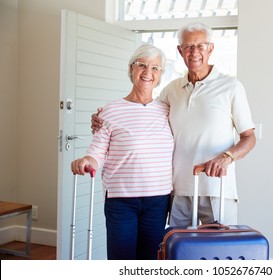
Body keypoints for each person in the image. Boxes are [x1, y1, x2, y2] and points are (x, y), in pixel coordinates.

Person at [92, 22, 256, 228]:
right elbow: (144, 114)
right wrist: (102, 119)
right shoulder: (171, 90)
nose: (194, 52)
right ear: (180, 50)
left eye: (200, 46)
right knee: (178, 253)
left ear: (211, 48)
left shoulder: (231, 86)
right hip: (178, 190)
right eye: (188, 46)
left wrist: (227, 157)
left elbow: (249, 137)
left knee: (218, 251)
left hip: (217, 188)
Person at [71, 44, 174, 260]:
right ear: (131, 69)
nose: (148, 72)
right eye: (142, 65)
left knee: (151, 260)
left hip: (158, 199)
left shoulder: (167, 110)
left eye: (155, 68)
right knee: (122, 259)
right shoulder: (111, 110)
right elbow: (98, 150)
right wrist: (87, 160)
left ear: (161, 75)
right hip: (121, 199)